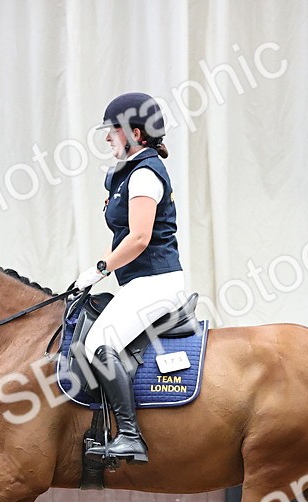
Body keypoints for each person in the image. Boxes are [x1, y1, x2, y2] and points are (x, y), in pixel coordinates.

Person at [73, 92, 186, 464]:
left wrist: (100, 268)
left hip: (157, 281)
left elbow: (139, 238)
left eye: (113, 131)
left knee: (99, 342)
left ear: (134, 133)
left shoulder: (144, 174)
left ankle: (131, 437)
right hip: (141, 282)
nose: (107, 138)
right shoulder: (130, 172)